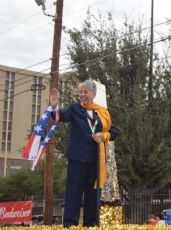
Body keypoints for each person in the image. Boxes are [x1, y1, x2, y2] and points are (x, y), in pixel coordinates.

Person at [49, 79, 118, 227]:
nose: (82, 95)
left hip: (96, 159)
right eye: (80, 92)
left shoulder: (102, 112)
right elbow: (59, 116)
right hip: (77, 158)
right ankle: (70, 224)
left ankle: (91, 224)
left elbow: (113, 132)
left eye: (85, 92)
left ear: (93, 94)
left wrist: (103, 136)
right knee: (73, 191)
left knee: (92, 193)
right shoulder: (74, 108)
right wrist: (54, 107)